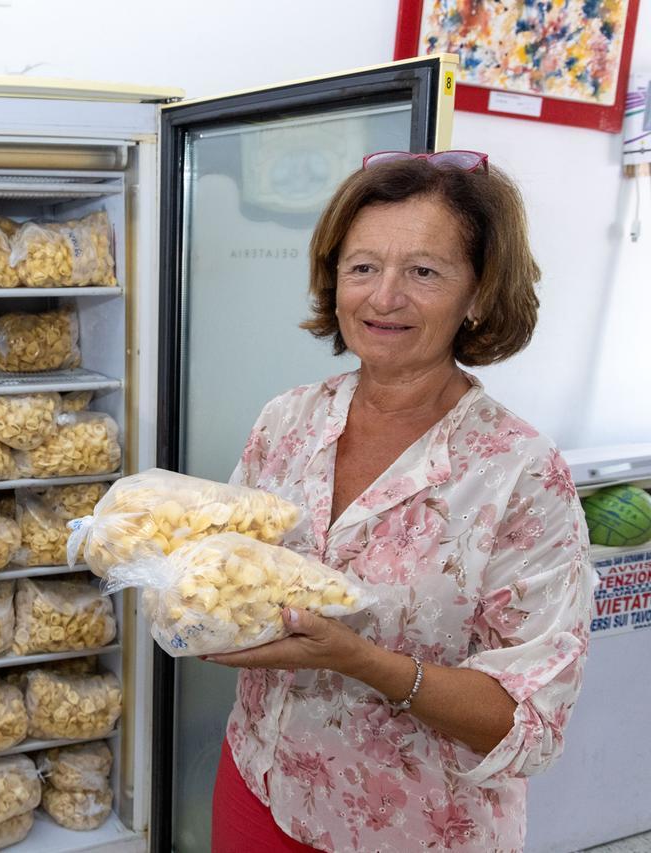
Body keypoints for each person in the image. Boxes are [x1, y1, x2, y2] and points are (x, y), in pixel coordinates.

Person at [204, 150, 592, 853]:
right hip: (261, 785)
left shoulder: (519, 472)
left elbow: (529, 721)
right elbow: (228, 570)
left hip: (413, 827)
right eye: (362, 267)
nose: (383, 297)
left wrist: (359, 658)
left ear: (477, 293)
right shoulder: (287, 421)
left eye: (423, 271)